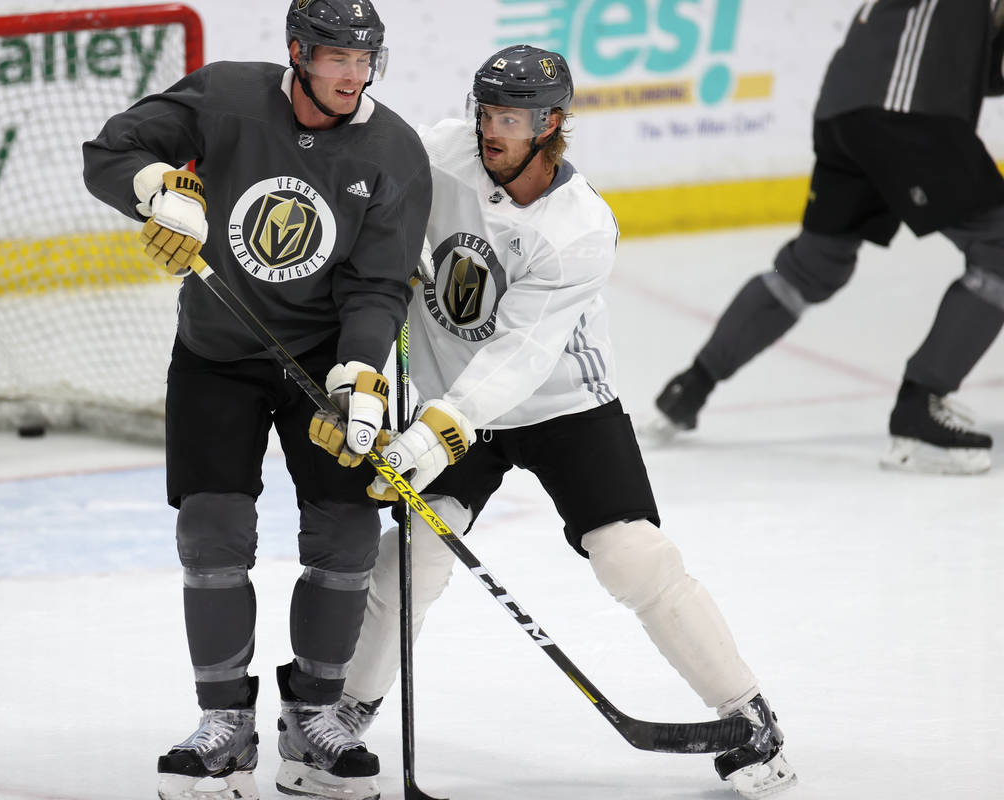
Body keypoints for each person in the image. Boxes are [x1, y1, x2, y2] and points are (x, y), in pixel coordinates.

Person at [309, 45, 797, 800]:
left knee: (633, 555)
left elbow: (522, 354)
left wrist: (434, 432)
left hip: (562, 403)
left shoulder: (579, 228)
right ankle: (346, 709)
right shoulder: (442, 155)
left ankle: (749, 715)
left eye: (509, 117)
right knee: (413, 558)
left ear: (551, 124)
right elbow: (361, 142)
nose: (491, 130)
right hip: (453, 399)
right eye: (486, 113)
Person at [81, 2, 431, 799]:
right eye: (338, 58)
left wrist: (360, 376)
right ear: (298, 52)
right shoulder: (228, 98)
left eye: (365, 59)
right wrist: (154, 190)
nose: (354, 75)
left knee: (345, 535)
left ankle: (313, 719)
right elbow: (111, 149)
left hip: (321, 361)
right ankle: (225, 727)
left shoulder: (393, 150)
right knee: (212, 534)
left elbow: (378, 284)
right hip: (217, 353)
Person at [649, 0, 1004, 475]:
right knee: (999, 249)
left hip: (846, 109)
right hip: (906, 109)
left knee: (814, 266)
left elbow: (975, 57)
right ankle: (919, 413)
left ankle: (691, 386)